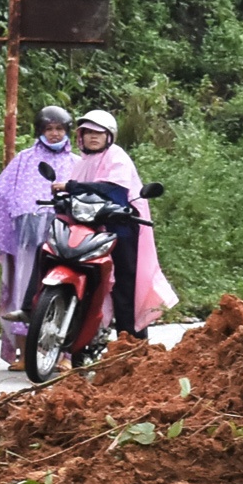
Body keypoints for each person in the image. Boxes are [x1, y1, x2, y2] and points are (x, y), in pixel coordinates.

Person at [53, 109, 177, 341]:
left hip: (121, 229)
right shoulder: (83, 162)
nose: (92, 137)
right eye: (87, 132)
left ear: (109, 136)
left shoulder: (116, 157)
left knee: (123, 286)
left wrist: (71, 187)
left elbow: (113, 189)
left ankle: (132, 340)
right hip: (92, 228)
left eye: (98, 133)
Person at [0, 105, 73, 370]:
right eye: (48, 129)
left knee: (67, 291)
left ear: (67, 131)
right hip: (28, 242)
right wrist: (9, 231)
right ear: (40, 131)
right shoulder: (24, 160)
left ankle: (64, 355)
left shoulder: (76, 163)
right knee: (22, 292)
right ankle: (22, 353)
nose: (54, 134)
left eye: (59, 129)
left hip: (65, 241)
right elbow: (3, 195)